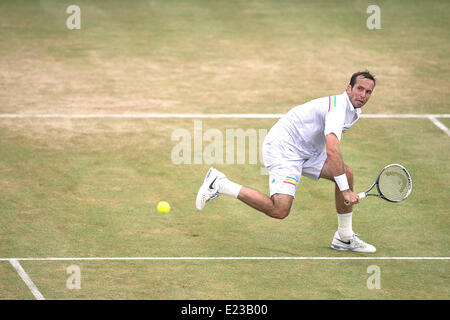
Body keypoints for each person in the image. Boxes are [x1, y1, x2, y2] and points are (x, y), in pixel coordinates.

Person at [196, 71, 377, 253]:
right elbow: (332, 150)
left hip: (307, 150)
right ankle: (220, 184)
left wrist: (343, 183)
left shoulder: (353, 111)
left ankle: (344, 237)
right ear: (349, 88)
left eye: (368, 92)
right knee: (279, 210)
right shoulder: (338, 109)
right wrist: (345, 190)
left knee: (345, 174)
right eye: (359, 89)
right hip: (284, 149)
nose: (363, 95)